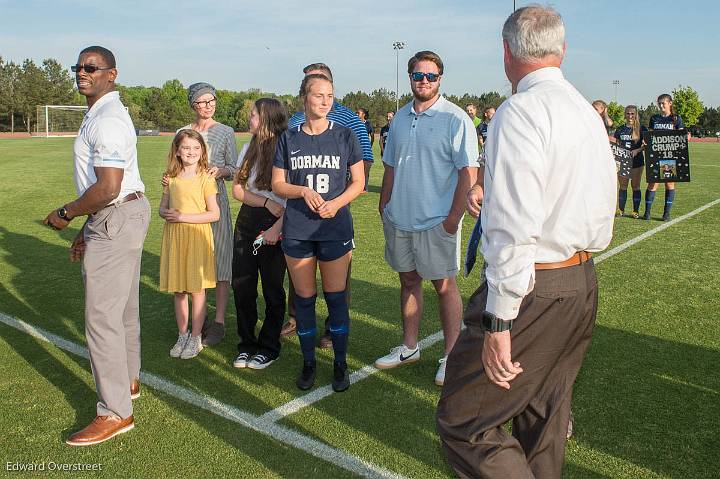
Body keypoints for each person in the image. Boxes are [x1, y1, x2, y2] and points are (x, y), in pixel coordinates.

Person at [435, 6, 616, 478]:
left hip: (538, 284)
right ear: (562, 49)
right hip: (580, 278)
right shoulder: (583, 109)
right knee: (543, 415)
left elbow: (515, 228)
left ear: (507, 52)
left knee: (464, 421)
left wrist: (499, 321)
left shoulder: (520, 111)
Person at [43, 46, 151, 446]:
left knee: (101, 318)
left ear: (112, 74)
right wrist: (87, 229)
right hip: (121, 215)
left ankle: (116, 412)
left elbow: (108, 186)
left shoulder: (107, 119)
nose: (82, 73)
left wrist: (66, 213)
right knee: (122, 310)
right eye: (78, 67)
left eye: (92, 67)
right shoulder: (103, 114)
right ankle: (128, 382)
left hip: (117, 212)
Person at [376, 50, 479, 387]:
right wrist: (384, 205)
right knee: (408, 281)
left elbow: (468, 173)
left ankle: (451, 355)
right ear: (410, 78)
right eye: (418, 76)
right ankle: (409, 347)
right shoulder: (401, 117)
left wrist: (452, 218)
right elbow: (390, 165)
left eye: (430, 76)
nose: (424, 81)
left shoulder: (455, 117)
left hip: (437, 221)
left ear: (440, 79)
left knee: (444, 287)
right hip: (400, 218)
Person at [271, 73, 364, 392]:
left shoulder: (345, 135)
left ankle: (340, 363)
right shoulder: (289, 137)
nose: (325, 102)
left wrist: (336, 204)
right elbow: (278, 184)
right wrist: (301, 192)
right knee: (306, 301)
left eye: (330, 96)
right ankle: (308, 362)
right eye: (318, 95)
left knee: (337, 300)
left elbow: (359, 183)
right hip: (298, 228)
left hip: (334, 227)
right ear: (304, 98)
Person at [178, 83, 238, 346]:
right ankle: (194, 322)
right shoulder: (183, 133)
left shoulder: (225, 131)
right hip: (189, 206)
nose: (207, 106)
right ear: (193, 105)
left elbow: (235, 169)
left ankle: (220, 321)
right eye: (201, 102)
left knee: (221, 260)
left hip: (216, 202)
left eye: (211, 100)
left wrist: (220, 171)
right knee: (192, 261)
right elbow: (175, 163)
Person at [231, 98, 288, 370]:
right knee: (242, 285)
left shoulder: (286, 149)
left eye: (254, 115)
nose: (249, 118)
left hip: (276, 224)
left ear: (267, 118)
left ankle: (269, 346)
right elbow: (238, 190)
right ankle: (246, 343)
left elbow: (292, 199)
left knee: (273, 288)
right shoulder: (249, 147)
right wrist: (265, 201)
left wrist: (277, 228)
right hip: (248, 220)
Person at [159, 129, 219, 359]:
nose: (191, 152)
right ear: (177, 151)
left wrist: (183, 217)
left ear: (202, 150)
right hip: (175, 238)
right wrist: (167, 213)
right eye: (186, 148)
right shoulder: (170, 178)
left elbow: (214, 214)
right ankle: (182, 334)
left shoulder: (206, 178)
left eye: (196, 148)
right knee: (179, 290)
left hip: (196, 238)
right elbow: (162, 209)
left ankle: (196, 337)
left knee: (197, 289)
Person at [645, 93, 685, 221]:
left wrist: (686, 136)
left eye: (664, 103)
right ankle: (647, 212)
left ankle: (666, 213)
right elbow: (650, 135)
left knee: (669, 184)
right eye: (659, 103)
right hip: (655, 156)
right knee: (653, 183)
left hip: (669, 156)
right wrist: (647, 142)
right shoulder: (654, 118)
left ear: (670, 103)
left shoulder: (676, 119)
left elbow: (681, 136)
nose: (661, 105)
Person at [614, 105, 648, 218]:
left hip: (637, 161)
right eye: (628, 113)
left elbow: (646, 145)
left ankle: (635, 211)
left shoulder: (642, 129)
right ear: (625, 114)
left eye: (632, 113)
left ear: (636, 114)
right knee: (623, 186)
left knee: (635, 186)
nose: (630, 116)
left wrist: (638, 150)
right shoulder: (620, 129)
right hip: (623, 161)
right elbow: (616, 144)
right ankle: (621, 210)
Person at [356, 107, 374, 191]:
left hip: (365, 150)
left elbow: (372, 135)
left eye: (358, 113)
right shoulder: (355, 123)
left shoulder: (368, 124)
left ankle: (364, 188)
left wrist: (369, 145)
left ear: (363, 114)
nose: (356, 114)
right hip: (357, 150)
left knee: (365, 171)